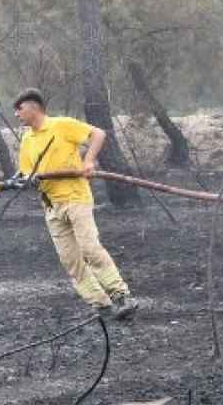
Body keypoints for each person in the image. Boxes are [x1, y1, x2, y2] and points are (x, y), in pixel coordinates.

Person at [11, 88, 139, 320]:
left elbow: (98, 134)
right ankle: (102, 306)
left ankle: (121, 295)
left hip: (75, 198)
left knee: (90, 249)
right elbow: (26, 171)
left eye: (19, 109)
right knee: (71, 261)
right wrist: (18, 181)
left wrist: (88, 161)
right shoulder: (27, 138)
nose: (16, 115)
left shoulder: (61, 125)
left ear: (33, 107)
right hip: (51, 206)